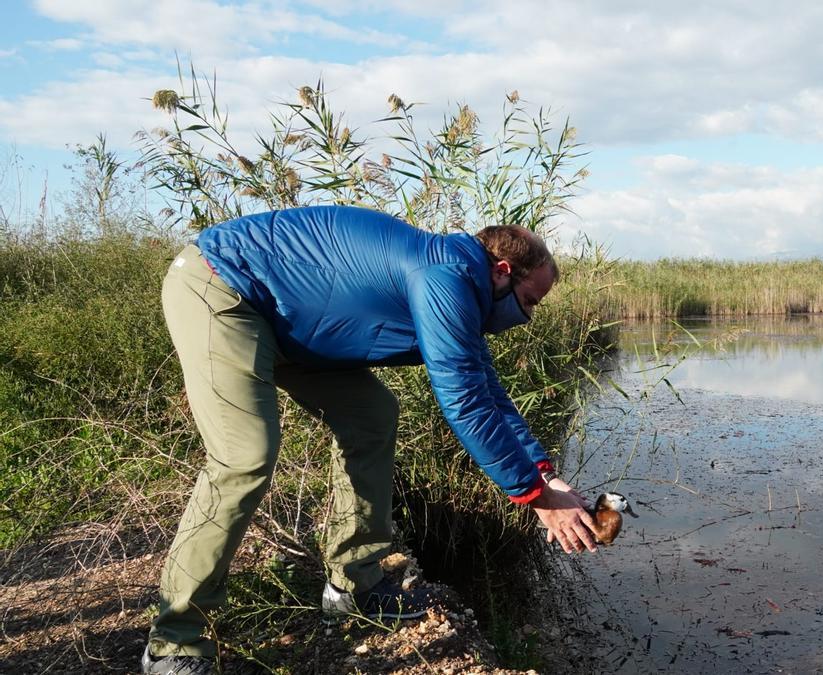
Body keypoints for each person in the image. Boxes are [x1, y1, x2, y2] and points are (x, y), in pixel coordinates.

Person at [142, 205, 598, 674]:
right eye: (529, 301)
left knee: (372, 416)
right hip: (224, 285)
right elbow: (464, 400)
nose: (527, 317)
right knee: (245, 456)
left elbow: (489, 392)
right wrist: (534, 497)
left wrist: (544, 475)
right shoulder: (444, 276)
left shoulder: (460, 282)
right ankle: (176, 640)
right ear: (503, 272)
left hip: (287, 320)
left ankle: (352, 584)